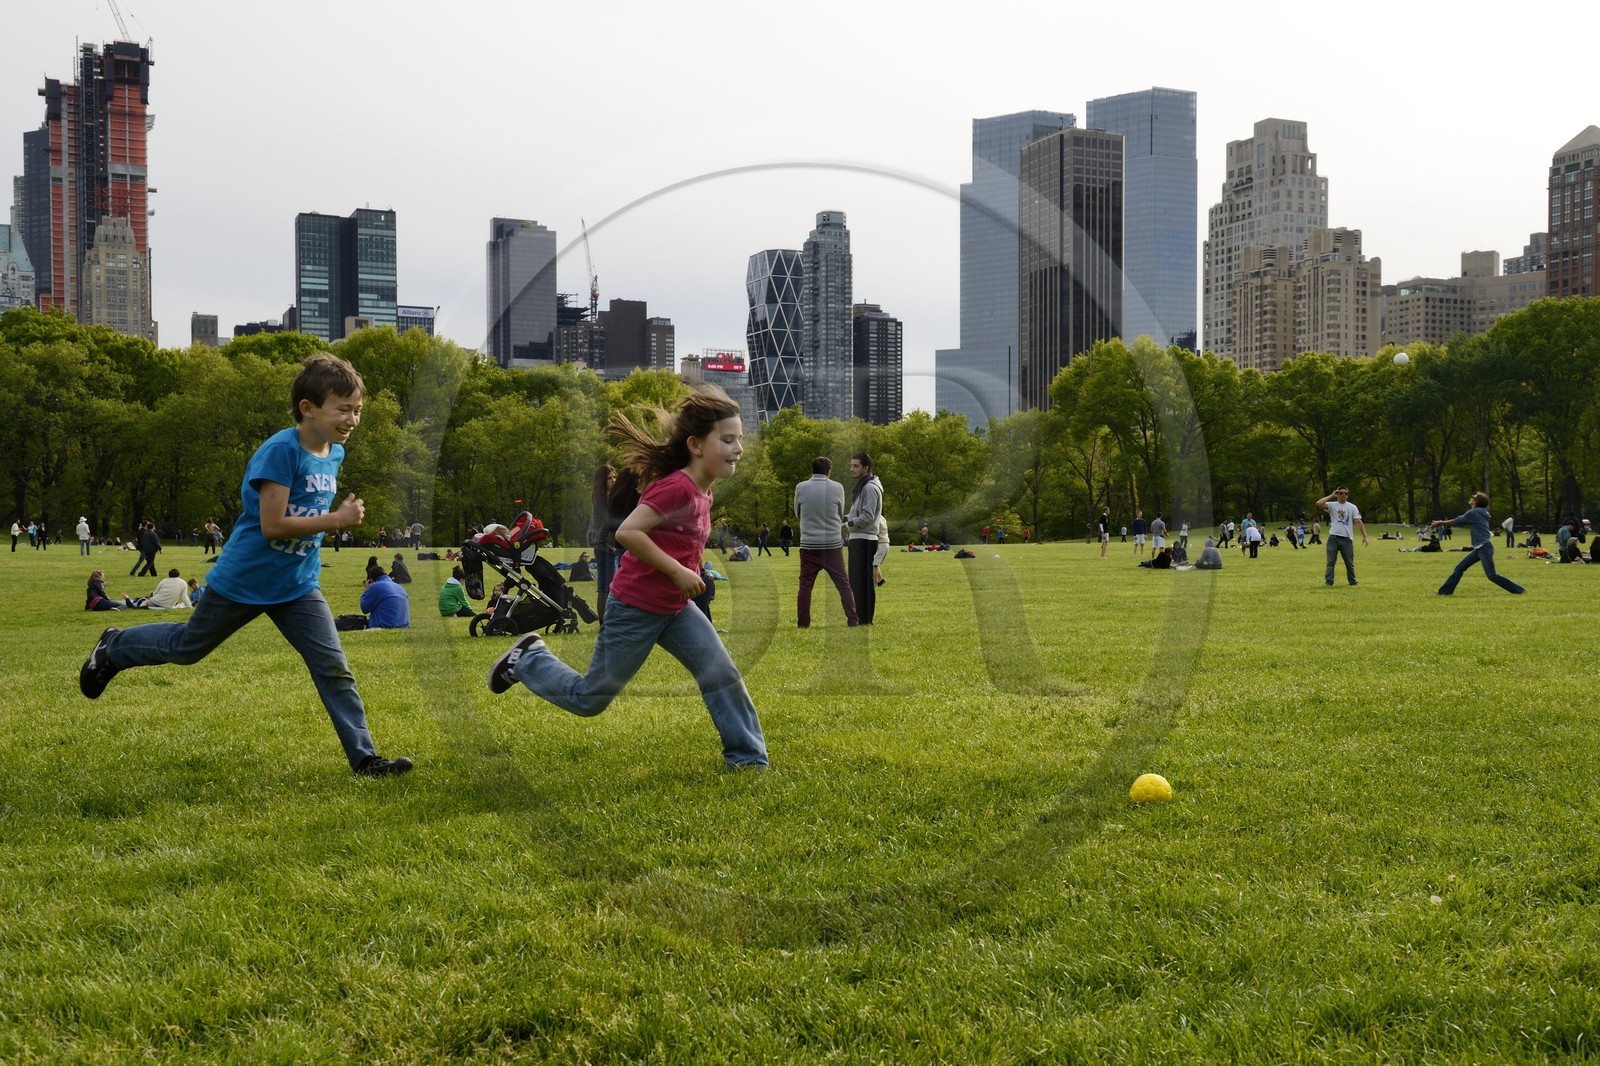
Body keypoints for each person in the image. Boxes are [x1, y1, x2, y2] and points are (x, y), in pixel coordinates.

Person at [76, 353, 413, 778]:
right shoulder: (279, 452)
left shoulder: (334, 452)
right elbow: (273, 526)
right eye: (343, 409)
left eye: (357, 410)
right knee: (186, 649)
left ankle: (365, 760)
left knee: (334, 669)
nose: (353, 419)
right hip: (245, 580)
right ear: (308, 408)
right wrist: (337, 520)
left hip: (297, 585)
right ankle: (115, 647)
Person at [487, 384, 768, 770]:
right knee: (590, 699)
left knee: (721, 673)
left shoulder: (704, 492)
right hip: (635, 607)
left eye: (739, 439)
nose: (739, 448)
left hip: (675, 608)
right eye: (728, 439)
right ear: (696, 445)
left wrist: (687, 570)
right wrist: (677, 570)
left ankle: (748, 759)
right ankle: (529, 660)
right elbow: (628, 532)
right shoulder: (678, 488)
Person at [794, 457, 858, 628]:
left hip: (808, 544)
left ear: (812, 470)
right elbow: (839, 512)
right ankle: (852, 619)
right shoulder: (837, 487)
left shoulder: (801, 487)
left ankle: (803, 623)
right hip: (832, 544)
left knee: (805, 586)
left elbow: (797, 512)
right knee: (843, 584)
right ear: (829, 471)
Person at [1431, 492, 1525, 595]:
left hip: (1484, 548)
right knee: (1459, 568)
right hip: (1480, 548)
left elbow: (1457, 521)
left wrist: (1440, 523)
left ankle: (1519, 589)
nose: (1471, 498)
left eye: (1473, 497)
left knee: (1492, 575)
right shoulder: (1481, 512)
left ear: (1476, 501)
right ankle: (1445, 592)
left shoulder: (1474, 513)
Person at [845, 452, 883, 625]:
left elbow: (867, 516)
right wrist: (842, 519)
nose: (851, 469)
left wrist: (846, 525)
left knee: (862, 581)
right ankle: (862, 617)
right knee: (857, 581)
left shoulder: (869, 487)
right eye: (851, 465)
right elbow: (857, 514)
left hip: (864, 538)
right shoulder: (863, 486)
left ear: (865, 468)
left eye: (856, 466)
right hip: (859, 538)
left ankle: (865, 618)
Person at [1316, 486, 1368, 586]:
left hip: (1347, 539)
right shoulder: (1332, 505)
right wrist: (1331, 495)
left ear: (1347, 495)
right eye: (1341, 493)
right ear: (1337, 494)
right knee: (1330, 562)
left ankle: (1353, 582)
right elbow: (1319, 503)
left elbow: (1358, 521)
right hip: (1333, 537)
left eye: (1345, 493)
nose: (1343, 495)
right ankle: (1329, 582)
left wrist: (1364, 536)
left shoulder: (1352, 507)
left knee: (1350, 563)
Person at [872, 512, 889, 588]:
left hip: (881, 543)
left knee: (874, 565)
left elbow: (876, 530)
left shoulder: (877, 518)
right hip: (885, 543)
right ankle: (880, 579)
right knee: (876, 563)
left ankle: (874, 584)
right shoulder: (882, 517)